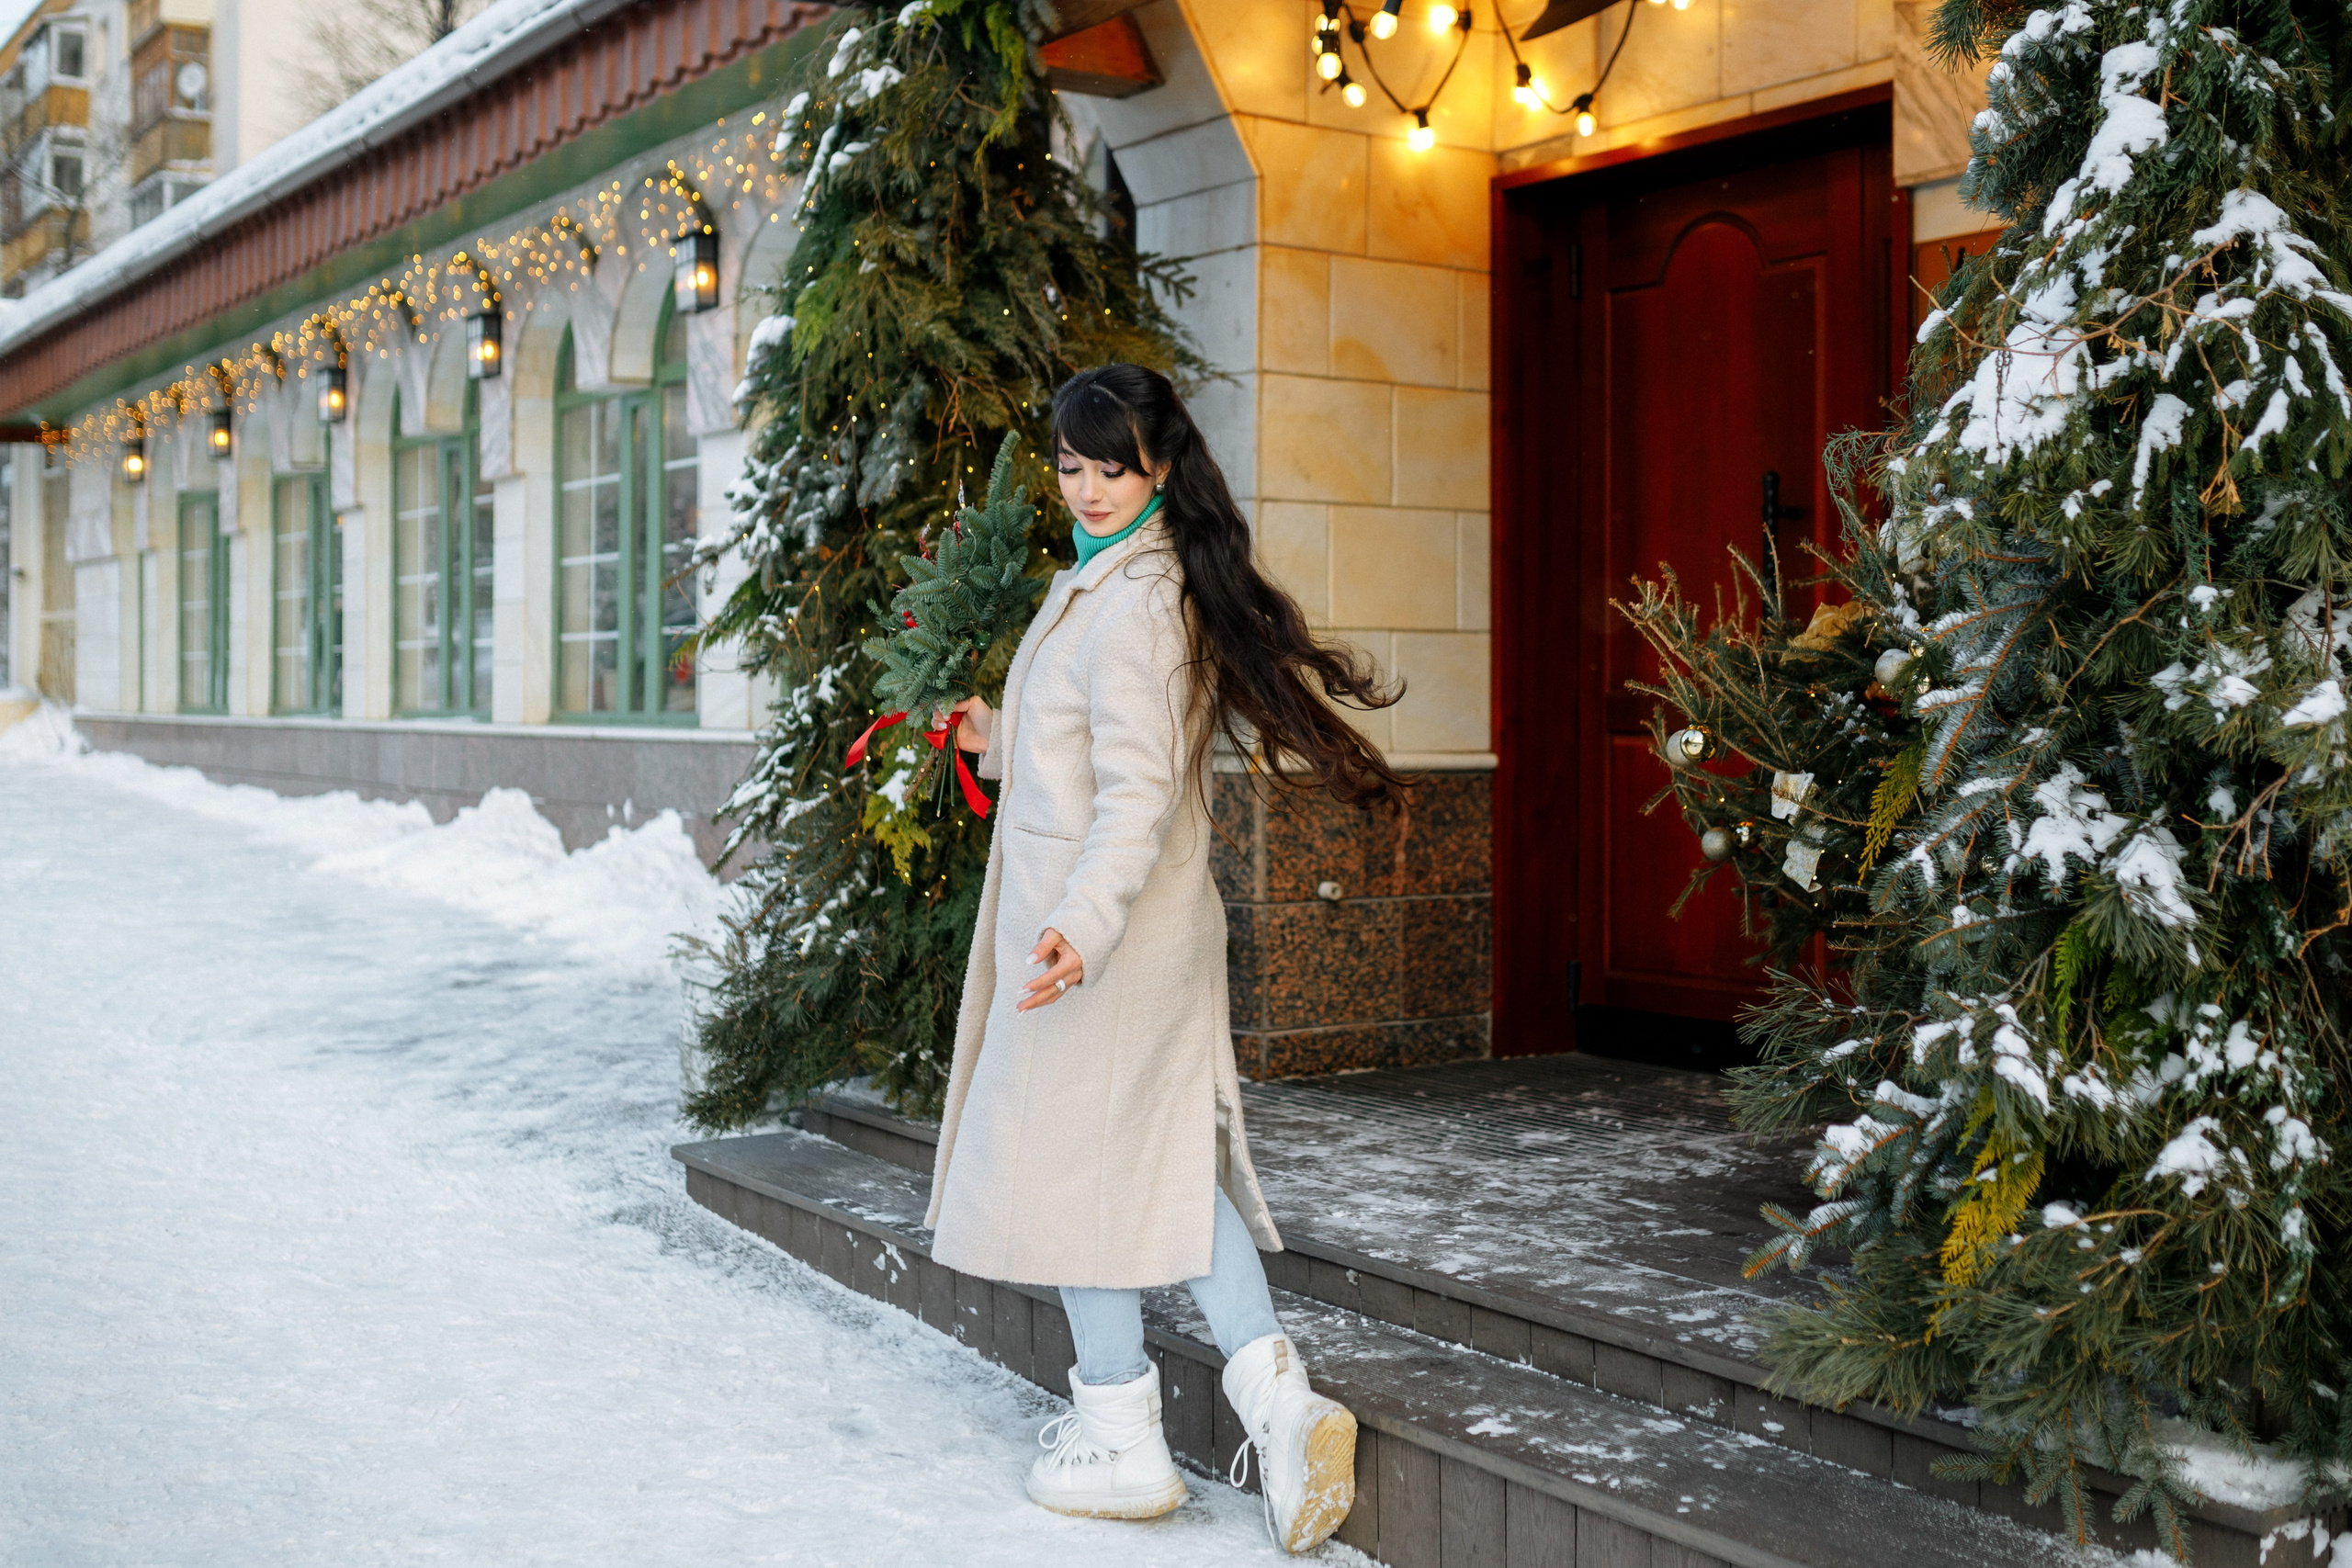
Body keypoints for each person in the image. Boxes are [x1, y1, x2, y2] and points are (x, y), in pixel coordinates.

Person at [924, 364, 1408, 1552]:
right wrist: (1003, 732)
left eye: (1112, 465)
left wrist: (1079, 931)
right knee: (1146, 1170)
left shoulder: (1138, 603)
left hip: (1099, 939)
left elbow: (1138, 796)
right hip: (1100, 932)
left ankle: (1124, 1438)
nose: (1086, 486)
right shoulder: (1114, 582)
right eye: (1072, 463)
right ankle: (1282, 1409)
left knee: (1079, 1173)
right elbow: (1093, 757)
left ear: (1159, 468)